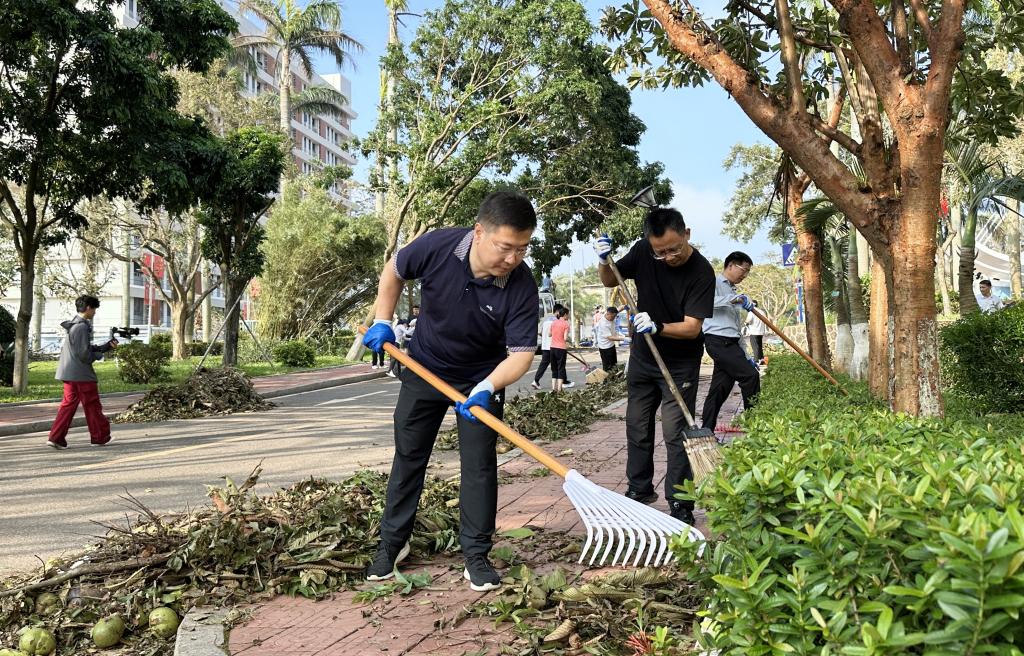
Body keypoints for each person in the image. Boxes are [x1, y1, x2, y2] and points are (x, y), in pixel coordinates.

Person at [361, 191, 540, 592]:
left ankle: (476, 555)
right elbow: (394, 270)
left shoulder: (521, 286)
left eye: (522, 248)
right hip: (423, 368)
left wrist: (488, 386)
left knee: (478, 466)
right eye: (505, 247)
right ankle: (391, 545)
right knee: (409, 457)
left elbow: (521, 355)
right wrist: (384, 320)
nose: (513, 258)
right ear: (479, 232)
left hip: (481, 378)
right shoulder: (439, 246)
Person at [594, 208, 715, 524]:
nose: (668, 257)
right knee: (637, 425)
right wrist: (604, 260)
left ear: (687, 234)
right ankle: (639, 489)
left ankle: (680, 501)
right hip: (643, 357)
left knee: (675, 434)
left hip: (680, 364)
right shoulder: (643, 250)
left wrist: (658, 326)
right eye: (660, 252)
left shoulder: (702, 272)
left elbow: (692, 328)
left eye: (674, 249)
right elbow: (610, 278)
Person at [700, 252, 762, 431]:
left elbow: (735, 329)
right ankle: (754, 427)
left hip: (731, 343)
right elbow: (704, 302)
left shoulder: (732, 290)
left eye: (748, 272)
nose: (745, 275)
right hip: (717, 341)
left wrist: (746, 354)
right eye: (744, 270)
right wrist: (735, 299)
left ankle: (706, 431)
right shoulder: (713, 283)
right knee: (750, 376)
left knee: (719, 389)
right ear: (731, 265)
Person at [48, 295, 118, 449]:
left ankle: (56, 438)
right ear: (88, 308)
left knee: (68, 406)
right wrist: (98, 354)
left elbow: (82, 347)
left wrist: (103, 347)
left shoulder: (74, 325)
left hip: (70, 372)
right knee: (92, 405)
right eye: (94, 309)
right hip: (82, 375)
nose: (94, 313)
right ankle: (99, 437)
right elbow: (84, 354)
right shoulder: (82, 327)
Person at [531, 304, 559, 390]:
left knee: (543, 364)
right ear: (557, 311)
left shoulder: (546, 320)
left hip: (545, 346)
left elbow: (541, 333)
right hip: (553, 346)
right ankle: (562, 382)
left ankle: (536, 381)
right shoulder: (556, 322)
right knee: (558, 365)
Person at [596, 305, 625, 371]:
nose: (613, 318)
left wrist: (624, 307)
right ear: (608, 314)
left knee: (614, 364)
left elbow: (619, 309)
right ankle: (607, 377)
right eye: (612, 317)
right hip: (605, 347)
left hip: (611, 345)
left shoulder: (612, 314)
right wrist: (623, 338)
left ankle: (615, 375)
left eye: (615, 316)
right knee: (608, 366)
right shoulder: (603, 323)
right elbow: (610, 337)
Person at [549, 307, 570, 391]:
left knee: (554, 368)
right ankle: (559, 389)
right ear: (565, 315)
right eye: (568, 314)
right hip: (561, 348)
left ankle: (553, 388)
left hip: (552, 348)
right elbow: (565, 338)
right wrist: (568, 339)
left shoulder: (553, 322)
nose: (568, 316)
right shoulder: (566, 324)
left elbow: (549, 334)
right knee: (561, 368)